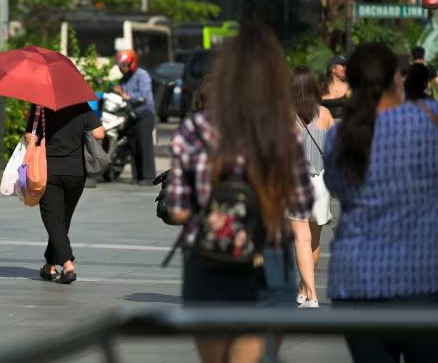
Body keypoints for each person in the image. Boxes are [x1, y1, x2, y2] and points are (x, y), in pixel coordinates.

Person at [167, 23, 313, 363]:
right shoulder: (279, 130)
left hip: (207, 261)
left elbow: (176, 209)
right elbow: (302, 203)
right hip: (267, 261)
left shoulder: (196, 129)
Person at [324, 43, 438, 363]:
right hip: (423, 280)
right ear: (396, 79)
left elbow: (337, 186)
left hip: (357, 284)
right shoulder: (430, 119)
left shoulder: (342, 134)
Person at [26, 103, 104, 284]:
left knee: (54, 220)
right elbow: (99, 133)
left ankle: (67, 264)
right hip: (76, 172)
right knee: (61, 221)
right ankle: (49, 266)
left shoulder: (40, 106)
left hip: (49, 170)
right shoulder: (82, 106)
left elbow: (31, 135)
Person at [288, 66, 335, 310]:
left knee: (301, 239)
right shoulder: (325, 114)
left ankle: (312, 294)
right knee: (314, 240)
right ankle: (304, 290)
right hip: (321, 182)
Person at [112, 49, 156, 186]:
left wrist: (125, 96)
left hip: (144, 113)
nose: (122, 68)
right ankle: (137, 176)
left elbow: (144, 96)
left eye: (124, 65)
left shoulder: (142, 76)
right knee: (133, 145)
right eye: (120, 65)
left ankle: (148, 177)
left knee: (144, 145)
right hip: (130, 114)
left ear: (132, 64)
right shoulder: (123, 80)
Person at [319, 55, 351, 119]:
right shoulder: (321, 87)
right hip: (325, 126)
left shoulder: (350, 88)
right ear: (332, 68)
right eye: (342, 65)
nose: (345, 67)